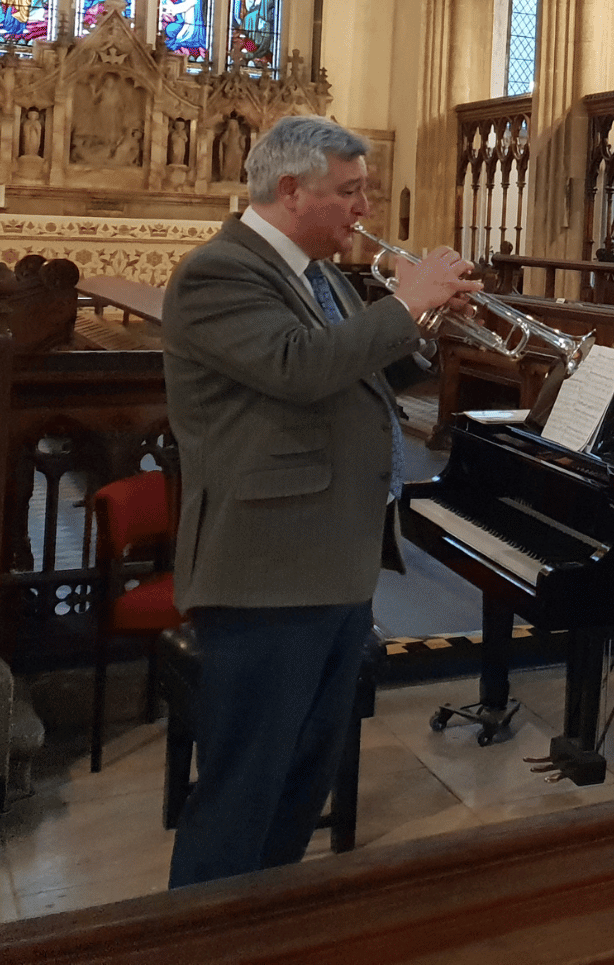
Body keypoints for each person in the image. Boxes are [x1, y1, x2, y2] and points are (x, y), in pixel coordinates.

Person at [162, 115, 479, 888]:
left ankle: (265, 930)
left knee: (300, 787)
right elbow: (298, 366)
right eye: (350, 192)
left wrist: (429, 323)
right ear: (291, 188)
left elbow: (358, 373)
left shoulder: (318, 274)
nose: (363, 210)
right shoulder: (220, 272)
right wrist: (404, 306)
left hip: (331, 566)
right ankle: (200, 941)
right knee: (243, 794)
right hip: (264, 572)